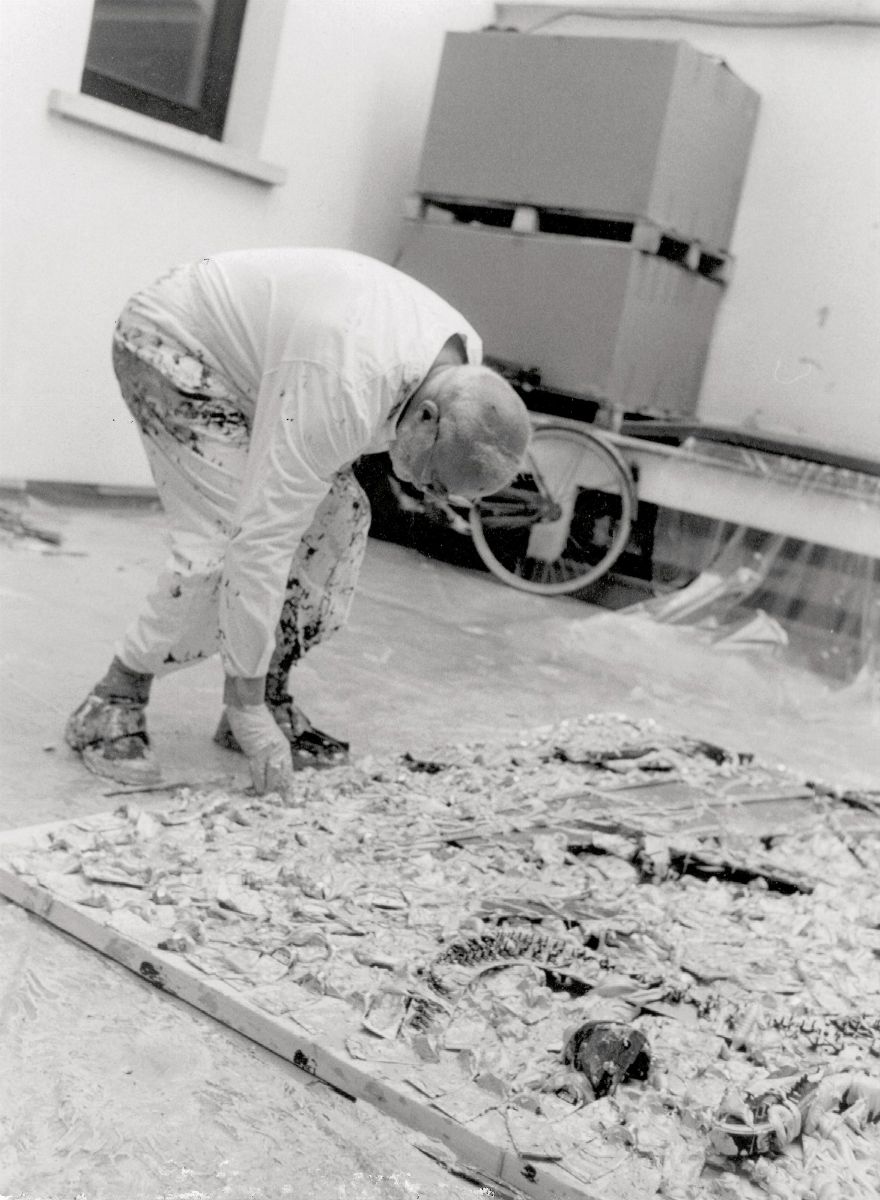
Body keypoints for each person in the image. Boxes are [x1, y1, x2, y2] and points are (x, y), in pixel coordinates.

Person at [65, 248, 531, 796]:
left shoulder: (461, 367)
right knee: (221, 541)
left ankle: (270, 688)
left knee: (340, 523)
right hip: (177, 340)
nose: (431, 497)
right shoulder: (347, 386)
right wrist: (243, 702)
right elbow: (261, 541)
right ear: (427, 418)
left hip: (276, 368)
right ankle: (115, 697)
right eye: (434, 481)